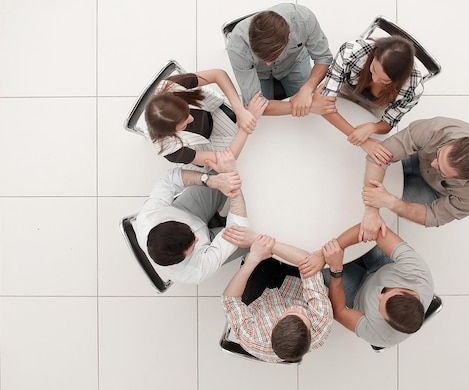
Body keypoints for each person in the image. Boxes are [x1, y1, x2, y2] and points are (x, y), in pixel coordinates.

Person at [360, 117, 469, 237]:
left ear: (461, 179)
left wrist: (392, 202)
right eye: (439, 154)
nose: (433, 164)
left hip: (435, 189)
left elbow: (432, 216)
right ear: (453, 142)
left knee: (380, 215)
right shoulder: (437, 129)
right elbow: (379, 155)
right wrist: (371, 210)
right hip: (419, 154)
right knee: (361, 182)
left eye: (442, 170)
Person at [299, 224, 433, 348]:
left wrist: (336, 269)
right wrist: (327, 252)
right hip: (382, 266)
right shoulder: (419, 275)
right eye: (386, 294)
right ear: (413, 294)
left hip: (357, 292)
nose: (379, 295)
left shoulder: (381, 336)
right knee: (348, 227)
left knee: (310, 263)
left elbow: (339, 311)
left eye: (380, 305)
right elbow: (374, 229)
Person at [136, 149, 248, 284]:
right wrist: (233, 184)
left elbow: (170, 179)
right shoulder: (196, 271)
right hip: (209, 246)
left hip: (187, 210)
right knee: (256, 236)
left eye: (190, 232)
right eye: (193, 244)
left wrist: (209, 180)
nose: (197, 237)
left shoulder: (150, 216)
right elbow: (237, 227)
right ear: (183, 258)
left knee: (220, 170)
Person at [221, 227, 332, 363]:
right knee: (300, 240)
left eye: (292, 312)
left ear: (274, 325)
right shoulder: (321, 320)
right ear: (310, 333)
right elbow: (307, 260)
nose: (300, 309)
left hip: (261, 298)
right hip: (297, 283)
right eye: (304, 314)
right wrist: (264, 242)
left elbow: (230, 299)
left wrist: (254, 257)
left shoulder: (253, 338)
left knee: (263, 240)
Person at [315, 36, 424, 165]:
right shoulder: (351, 52)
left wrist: (373, 127)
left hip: (377, 106)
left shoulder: (413, 88)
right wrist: (363, 141)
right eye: (373, 70)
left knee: (353, 156)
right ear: (374, 54)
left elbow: (388, 123)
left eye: (385, 80)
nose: (376, 79)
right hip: (347, 89)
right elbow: (323, 105)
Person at [226, 3, 337, 117]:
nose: (268, 63)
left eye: (273, 56)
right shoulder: (237, 46)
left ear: (289, 36)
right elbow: (255, 105)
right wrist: (307, 107)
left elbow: (324, 58)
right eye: (262, 58)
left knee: (308, 116)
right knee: (255, 116)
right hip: (258, 72)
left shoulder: (304, 19)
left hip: (295, 62)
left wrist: (307, 89)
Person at [145, 69, 268, 170]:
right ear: (171, 133)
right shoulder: (170, 149)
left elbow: (218, 74)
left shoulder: (171, 87)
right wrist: (249, 121)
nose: (191, 119)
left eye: (187, 112)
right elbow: (226, 160)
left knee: (238, 133)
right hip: (202, 146)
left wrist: (240, 110)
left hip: (211, 111)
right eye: (184, 125)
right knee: (227, 162)